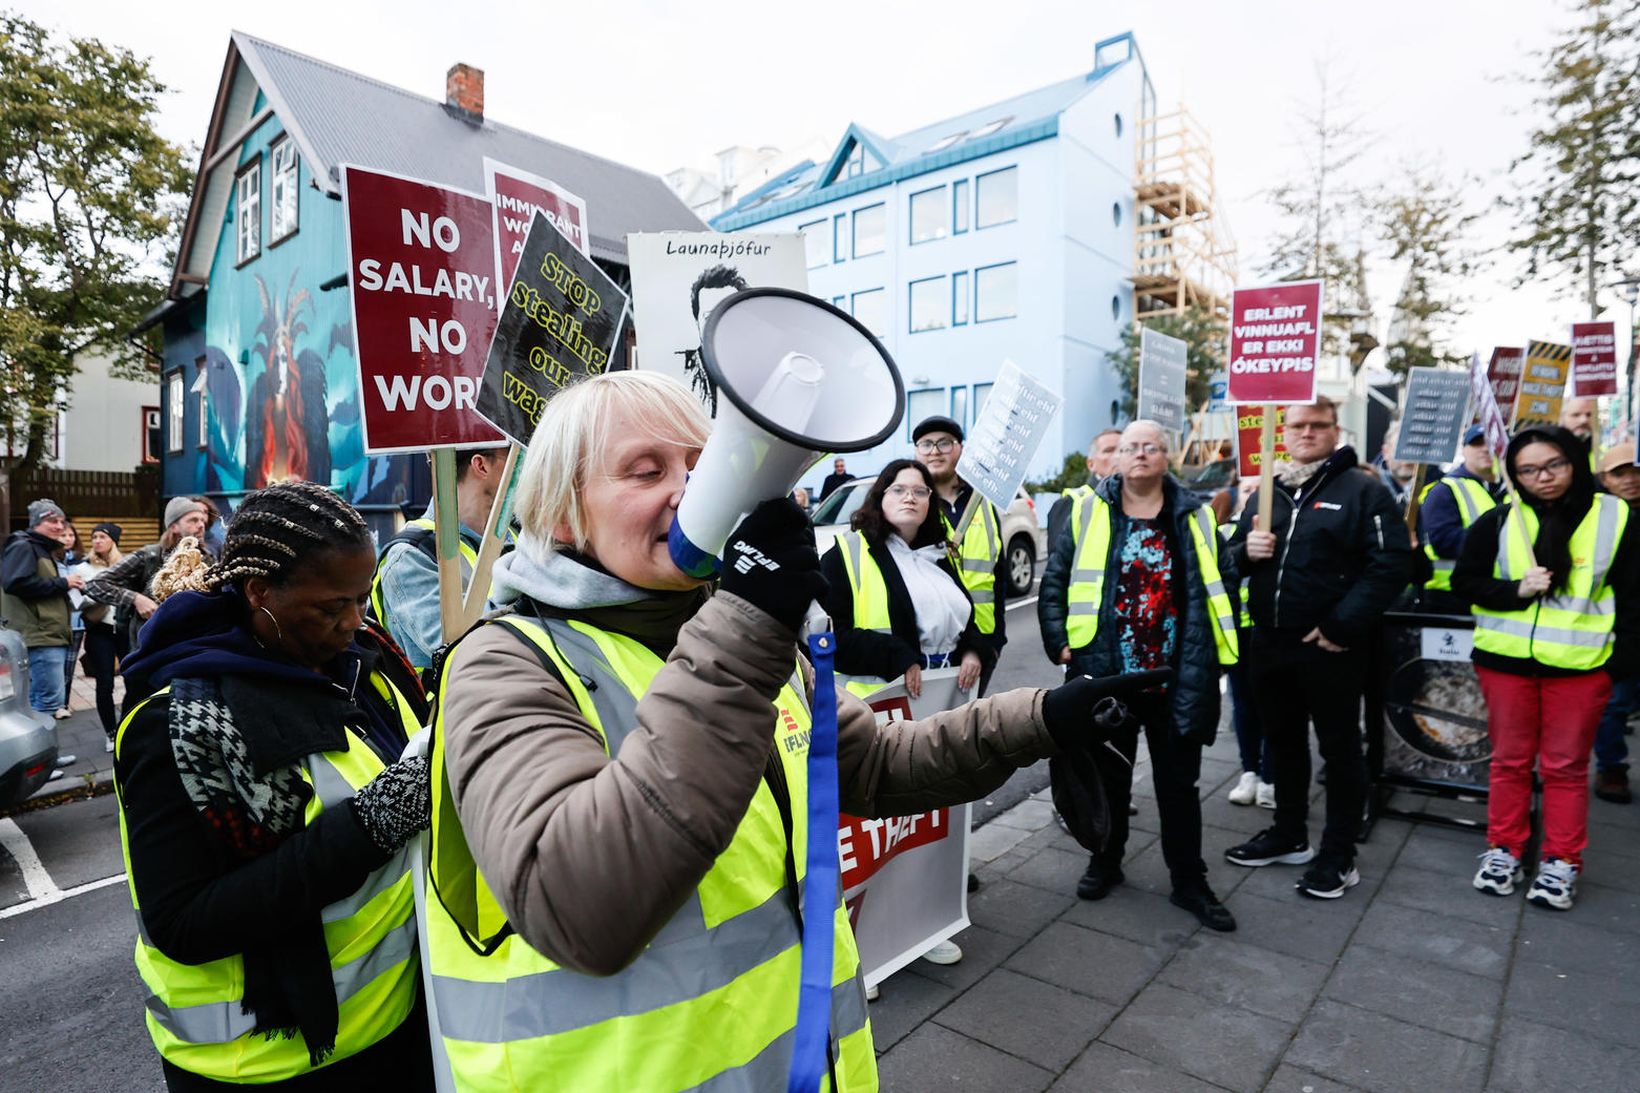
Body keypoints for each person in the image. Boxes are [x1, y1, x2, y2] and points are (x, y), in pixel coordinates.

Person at [422, 371, 1127, 1092]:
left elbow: (875, 760)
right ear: (565, 512)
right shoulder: (502, 663)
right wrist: (747, 621)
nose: (689, 491)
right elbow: (578, 902)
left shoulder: (738, 632)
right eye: (646, 470)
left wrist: (1040, 719)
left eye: (702, 467)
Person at [112, 482, 434, 1089]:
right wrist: (375, 822)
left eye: (362, 599)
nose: (351, 622)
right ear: (259, 592)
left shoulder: (363, 662)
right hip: (262, 1061)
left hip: (393, 1024)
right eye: (329, 606)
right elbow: (184, 922)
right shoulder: (177, 721)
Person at [1037, 421, 1239, 930]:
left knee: (1179, 787)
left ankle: (1189, 881)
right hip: (1108, 675)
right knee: (1109, 780)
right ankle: (1105, 862)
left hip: (1176, 676)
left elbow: (1221, 582)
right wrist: (1058, 637)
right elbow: (1057, 577)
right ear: (1117, 457)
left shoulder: (1193, 515)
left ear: (1167, 456)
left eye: (1151, 446)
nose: (1141, 454)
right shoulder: (1091, 511)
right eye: (1131, 447)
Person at [1224, 396, 1414, 899]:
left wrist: (1340, 626)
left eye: (1318, 425)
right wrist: (1246, 551)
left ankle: (1339, 854)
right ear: (1282, 434)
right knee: (1281, 744)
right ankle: (1289, 835)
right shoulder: (1267, 492)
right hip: (1269, 642)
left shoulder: (1362, 491)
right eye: (1298, 426)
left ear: (1336, 430)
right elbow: (1228, 562)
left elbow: (1391, 566)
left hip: (1331, 648)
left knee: (1340, 750)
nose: (1307, 433)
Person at [1452, 426, 1638, 911]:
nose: (1544, 478)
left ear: (1575, 460)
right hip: (1505, 665)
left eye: (1554, 464)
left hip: (1581, 669)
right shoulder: (1499, 519)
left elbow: (1636, 599)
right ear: (1514, 474)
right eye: (1528, 470)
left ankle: (1561, 860)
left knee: (1566, 769)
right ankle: (1504, 848)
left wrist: (1614, 668)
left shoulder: (1615, 517)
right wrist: (1515, 590)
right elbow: (1465, 583)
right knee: (1509, 761)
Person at [822, 458, 987, 698]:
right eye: (898, 490)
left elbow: (962, 618)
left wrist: (973, 649)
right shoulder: (846, 554)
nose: (909, 497)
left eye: (920, 492)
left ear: (930, 502)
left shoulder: (939, 555)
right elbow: (827, 638)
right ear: (880, 497)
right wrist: (897, 656)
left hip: (948, 695)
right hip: (878, 706)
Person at [368, 445, 511, 670]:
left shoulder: (521, 537)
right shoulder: (410, 557)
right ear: (481, 465)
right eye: (515, 456)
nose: (528, 467)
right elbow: (460, 649)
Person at [913, 415, 1007, 690]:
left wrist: (996, 641)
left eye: (944, 443)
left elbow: (998, 575)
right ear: (916, 452)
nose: (935, 451)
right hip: (931, 645)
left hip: (983, 641)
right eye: (926, 444)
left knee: (971, 726)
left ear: (960, 449)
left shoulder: (983, 502)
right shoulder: (912, 503)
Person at [1, 499, 82, 765]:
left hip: (44, 633)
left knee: (39, 700)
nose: (59, 526)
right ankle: (40, 762)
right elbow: (16, 582)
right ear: (36, 523)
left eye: (62, 521)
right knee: (45, 701)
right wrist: (63, 582)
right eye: (52, 521)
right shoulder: (25, 546)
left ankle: (42, 758)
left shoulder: (37, 547)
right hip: (40, 635)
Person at [86, 496, 211, 654]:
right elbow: (95, 584)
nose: (201, 525)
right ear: (173, 527)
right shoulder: (149, 556)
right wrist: (136, 599)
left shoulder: (207, 558)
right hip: (152, 648)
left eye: (202, 520)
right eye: (193, 520)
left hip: (193, 647)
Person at [1593, 442, 1640, 804]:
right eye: (1620, 472)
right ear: (1604, 479)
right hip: (1618, 624)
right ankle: (1613, 766)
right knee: (1614, 702)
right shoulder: (1599, 517)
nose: (1631, 480)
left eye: (1636, 471)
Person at [1418, 425, 1502, 614]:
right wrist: (1500, 539)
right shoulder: (1444, 490)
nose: (1485, 448)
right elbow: (1443, 542)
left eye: (1491, 443)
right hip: (1449, 596)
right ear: (1464, 450)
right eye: (1477, 443)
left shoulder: (1500, 490)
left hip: (1487, 591)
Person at [77, 522, 124, 752]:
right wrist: (98, 596)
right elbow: (75, 603)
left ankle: (128, 725)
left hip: (124, 629)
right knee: (104, 683)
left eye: (102, 537)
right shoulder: (83, 569)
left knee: (134, 679)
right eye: (94, 537)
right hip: (99, 631)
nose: (97, 541)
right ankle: (111, 733)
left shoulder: (126, 565)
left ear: (113, 541)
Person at [56, 523, 85, 720]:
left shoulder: (80, 561)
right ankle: (55, 703)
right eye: (63, 535)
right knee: (54, 665)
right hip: (58, 621)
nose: (67, 538)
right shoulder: (51, 560)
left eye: (71, 535)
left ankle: (64, 702)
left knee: (69, 665)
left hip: (77, 621)